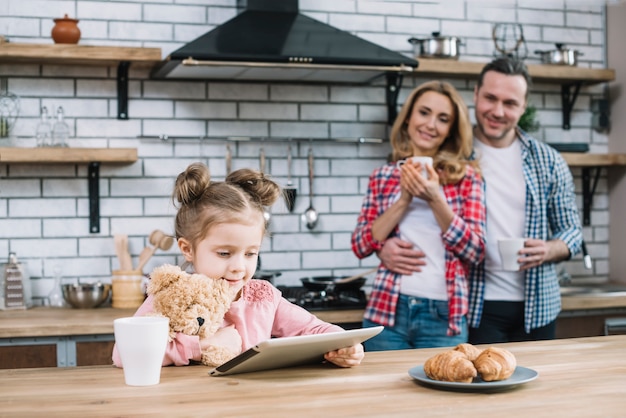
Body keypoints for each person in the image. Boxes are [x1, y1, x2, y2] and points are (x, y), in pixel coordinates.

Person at [378, 57, 583, 344]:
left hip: (538, 306)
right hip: (474, 305)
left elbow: (572, 231)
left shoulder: (547, 161)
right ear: (475, 95)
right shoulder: (448, 155)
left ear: (523, 107)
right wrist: (382, 247)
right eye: (490, 98)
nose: (497, 111)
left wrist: (549, 249)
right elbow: (408, 215)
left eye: (510, 103)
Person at [113, 162, 363, 368]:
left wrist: (346, 345)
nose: (238, 267)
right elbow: (123, 354)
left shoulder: (263, 297)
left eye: (250, 253)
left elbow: (314, 329)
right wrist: (200, 348)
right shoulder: (171, 297)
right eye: (224, 253)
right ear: (187, 249)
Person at [351, 80, 486, 350]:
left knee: (442, 389)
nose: (431, 125)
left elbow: (476, 251)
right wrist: (404, 200)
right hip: (387, 308)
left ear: (450, 130)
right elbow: (361, 245)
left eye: (443, 119)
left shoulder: (467, 178)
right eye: (424, 113)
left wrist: (435, 198)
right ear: (409, 117)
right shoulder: (383, 176)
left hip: (444, 316)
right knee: (382, 391)